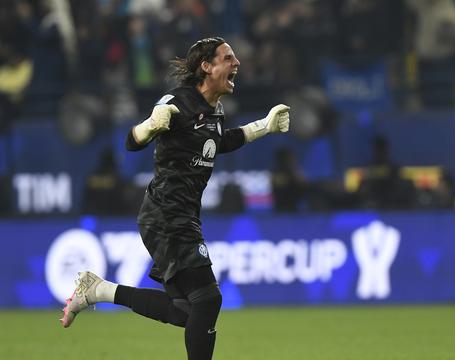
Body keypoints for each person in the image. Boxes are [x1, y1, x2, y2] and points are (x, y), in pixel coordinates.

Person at [60, 37, 291, 360]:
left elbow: (219, 142)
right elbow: (132, 141)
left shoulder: (214, 111)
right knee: (208, 300)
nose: (236, 63)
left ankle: (99, 290)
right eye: (228, 58)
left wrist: (263, 127)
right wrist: (151, 126)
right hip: (166, 213)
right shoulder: (178, 101)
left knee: (187, 311)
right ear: (206, 67)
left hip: (181, 215)